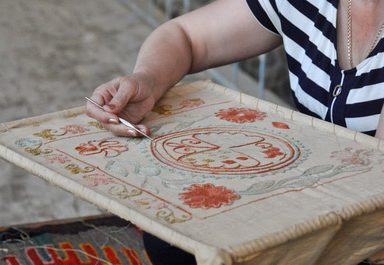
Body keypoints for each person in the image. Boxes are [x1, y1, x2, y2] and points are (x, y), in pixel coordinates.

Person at [86, 0, 384, 263]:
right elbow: (186, 37)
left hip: (369, 218)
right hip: (325, 193)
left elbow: (375, 189)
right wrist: (147, 79)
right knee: (175, 234)